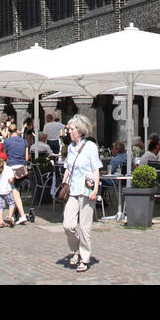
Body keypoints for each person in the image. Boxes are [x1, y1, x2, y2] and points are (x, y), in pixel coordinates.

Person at [60, 115, 101, 273]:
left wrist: (95, 189)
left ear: (80, 131)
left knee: (84, 227)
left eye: (71, 129)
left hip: (87, 190)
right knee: (68, 225)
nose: (69, 132)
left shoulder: (90, 146)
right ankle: (75, 249)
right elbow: (68, 168)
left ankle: (84, 258)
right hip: (73, 190)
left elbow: (95, 168)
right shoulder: (70, 147)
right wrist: (63, 184)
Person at [0, 119, 31, 225]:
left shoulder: (7, 142)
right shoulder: (24, 141)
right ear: (17, 131)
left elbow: (4, 157)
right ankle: (12, 215)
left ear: (8, 132)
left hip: (12, 168)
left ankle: (21, 215)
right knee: (15, 190)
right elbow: (26, 158)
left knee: (14, 191)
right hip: (22, 168)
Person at [0, 151, 19, 227]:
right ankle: (10, 217)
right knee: (12, 203)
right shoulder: (8, 169)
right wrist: (13, 181)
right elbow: (11, 180)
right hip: (7, 190)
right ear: (7, 160)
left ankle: (1, 221)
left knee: (1, 206)